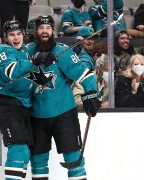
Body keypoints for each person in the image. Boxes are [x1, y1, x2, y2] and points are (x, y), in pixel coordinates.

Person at [27, 15, 100, 180]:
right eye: (41, 28)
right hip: (36, 115)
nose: (44, 31)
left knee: (74, 159)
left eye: (48, 28)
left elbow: (85, 74)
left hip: (64, 114)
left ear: (53, 31)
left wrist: (91, 94)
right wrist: (33, 61)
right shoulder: (27, 51)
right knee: (37, 161)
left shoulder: (61, 51)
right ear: (36, 31)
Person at [0, 20, 47, 180]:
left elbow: (39, 79)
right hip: (7, 106)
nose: (16, 38)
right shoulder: (1, 50)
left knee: (26, 153)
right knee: (19, 149)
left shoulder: (25, 52)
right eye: (11, 35)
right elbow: (13, 71)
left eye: (18, 34)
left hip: (24, 107)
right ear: (5, 37)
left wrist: (48, 63)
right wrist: (33, 61)